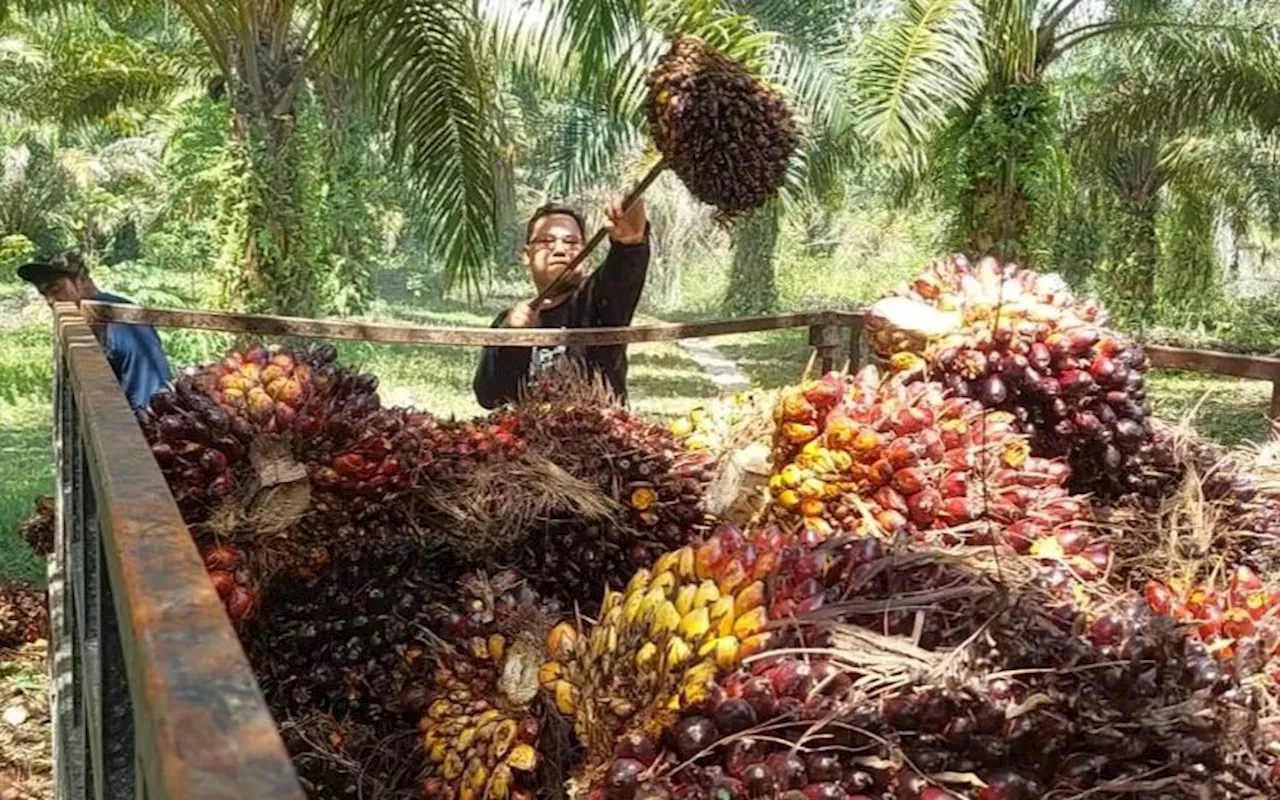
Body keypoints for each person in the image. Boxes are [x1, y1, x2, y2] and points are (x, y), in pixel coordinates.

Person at [473, 199, 650, 409]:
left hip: (597, 437)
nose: (560, 250)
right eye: (547, 241)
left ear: (586, 256)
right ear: (526, 255)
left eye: (572, 243)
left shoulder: (597, 299)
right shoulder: (508, 320)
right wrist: (512, 341)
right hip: (530, 437)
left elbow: (623, 272)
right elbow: (488, 397)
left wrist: (631, 243)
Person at [18, 251, 172, 411]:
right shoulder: (117, 307)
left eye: (56, 290)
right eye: (45, 295)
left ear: (82, 281)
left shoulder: (104, 320)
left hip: (143, 418)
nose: (50, 301)